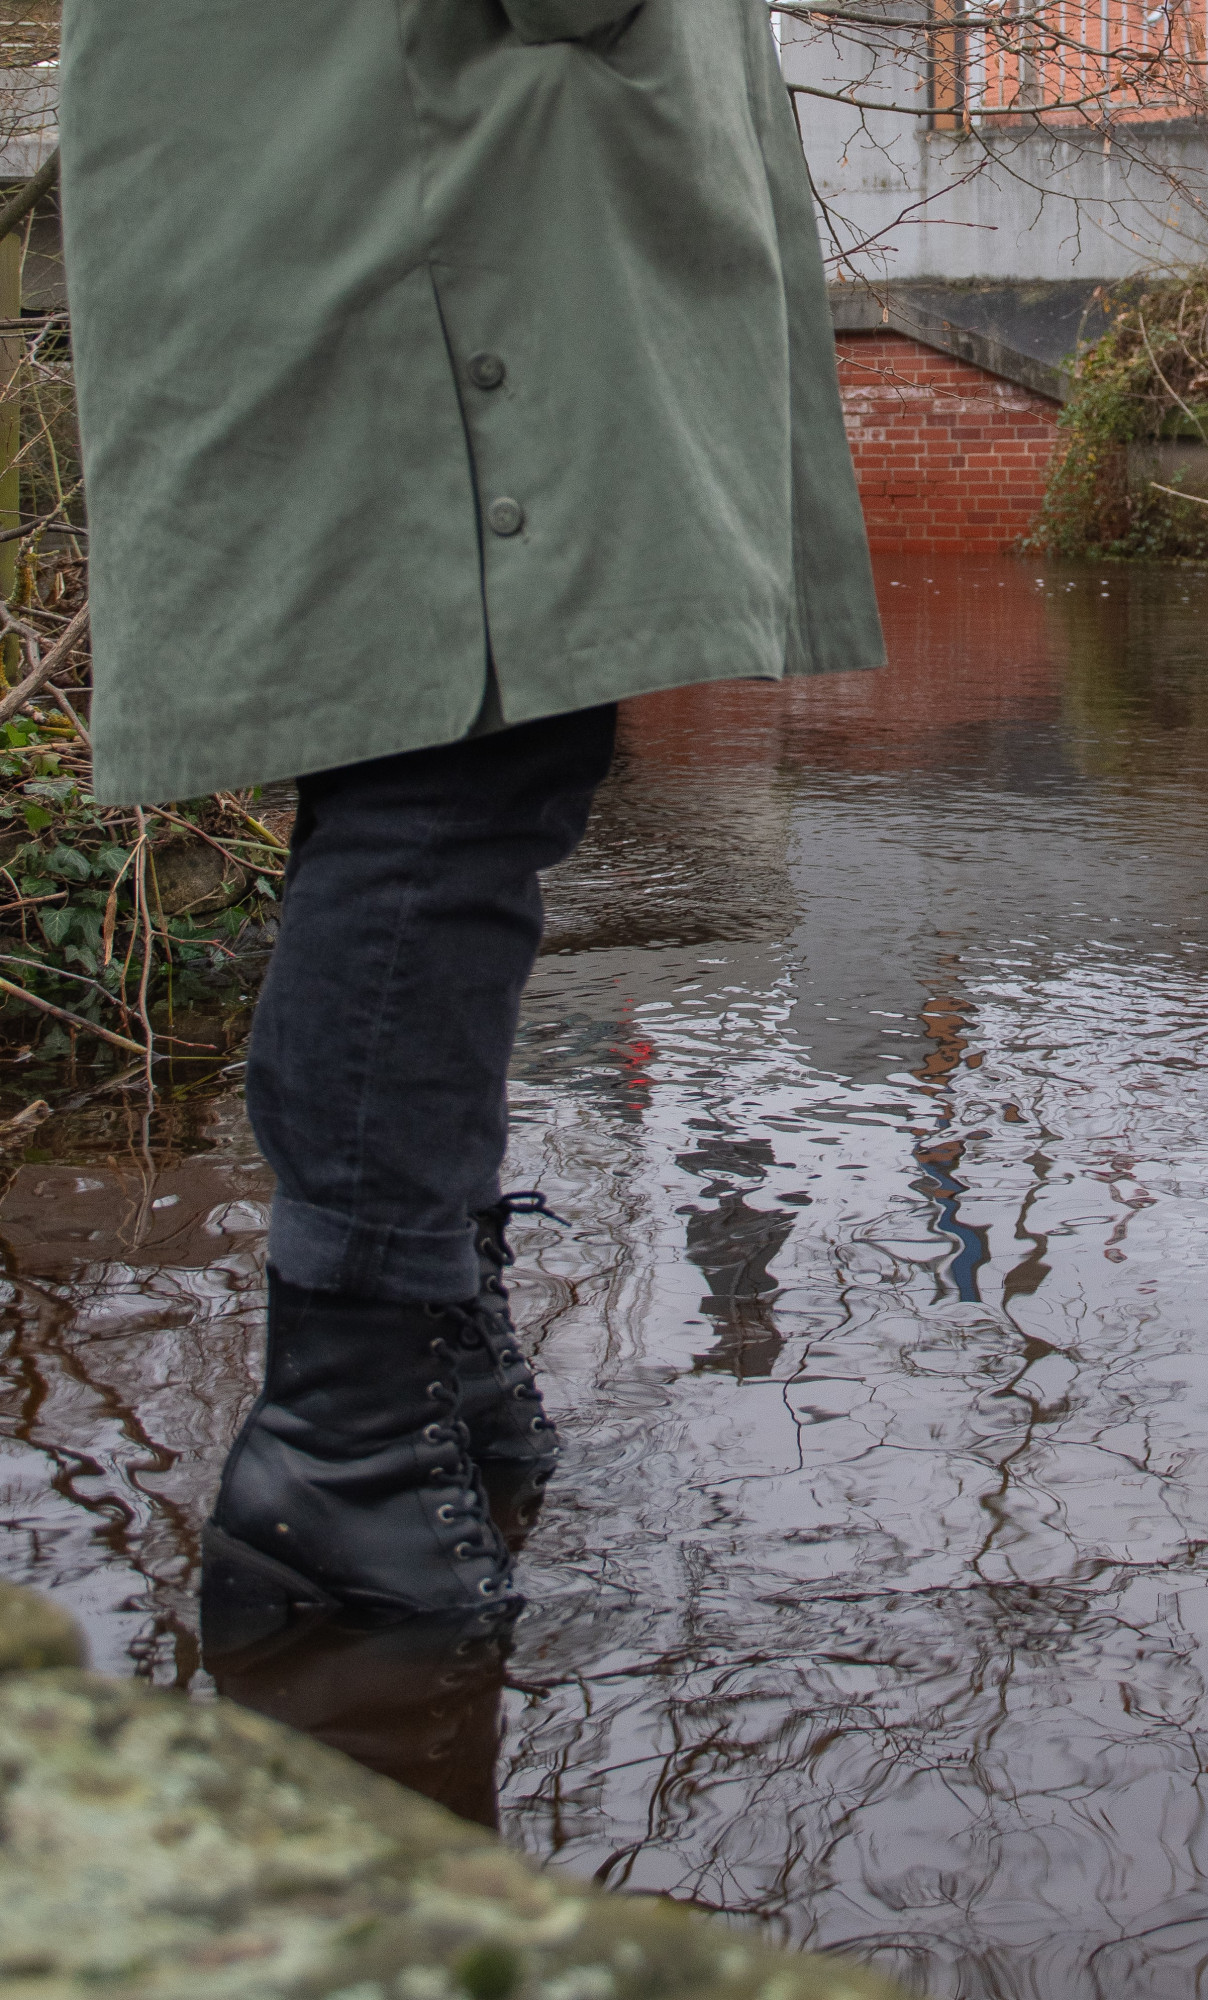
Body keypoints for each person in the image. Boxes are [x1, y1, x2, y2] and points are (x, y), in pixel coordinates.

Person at [59, 0, 884, 1638]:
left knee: (441, 756)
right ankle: (345, 1439)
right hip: (428, 170)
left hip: (392, 155)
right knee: (451, 768)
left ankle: (409, 1335)